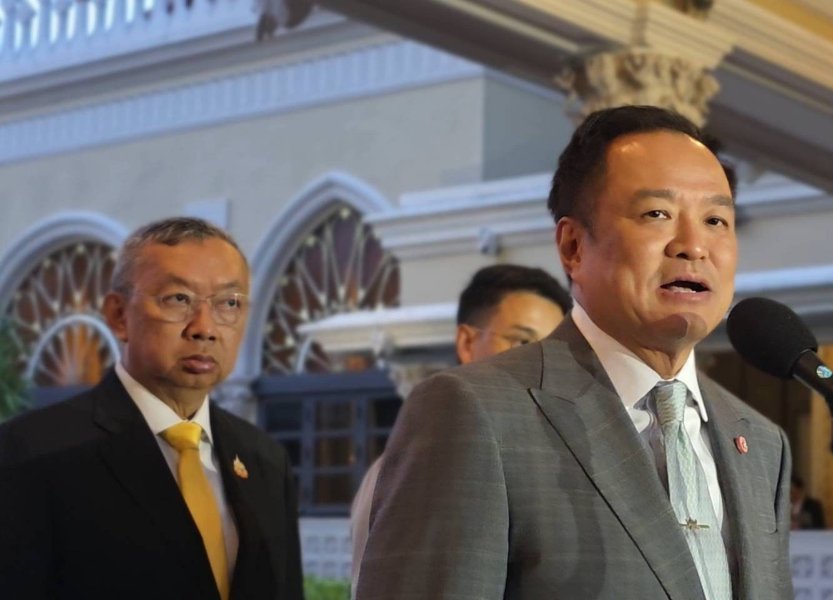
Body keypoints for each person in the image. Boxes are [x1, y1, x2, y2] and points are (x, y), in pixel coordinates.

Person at [356, 105, 793, 599]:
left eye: (716, 220)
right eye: (657, 214)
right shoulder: (475, 412)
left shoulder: (761, 443)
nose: (694, 246)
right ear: (573, 247)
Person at [0, 217, 303, 599]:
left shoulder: (266, 460)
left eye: (229, 303)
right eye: (178, 299)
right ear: (118, 315)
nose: (205, 328)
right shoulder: (31, 451)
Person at [349, 264, 571, 595]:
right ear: (467, 342)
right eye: (522, 341)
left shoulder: (545, 459)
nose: (538, 365)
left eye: (550, 351)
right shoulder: (432, 458)